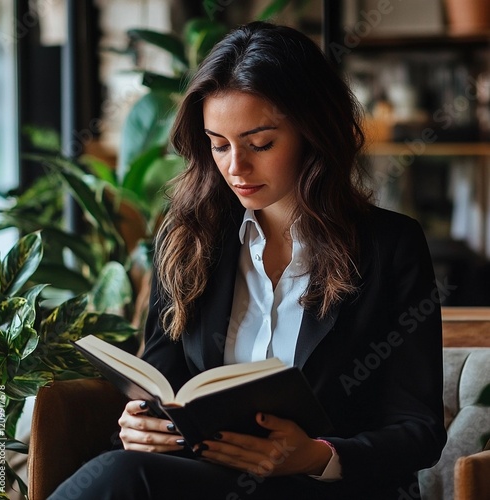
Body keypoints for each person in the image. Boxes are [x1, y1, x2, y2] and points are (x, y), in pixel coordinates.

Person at [48, 21, 446, 500]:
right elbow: (161, 386)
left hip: (330, 489)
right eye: (218, 144)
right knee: (125, 468)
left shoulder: (390, 245)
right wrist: (141, 428)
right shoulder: (189, 238)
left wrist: (317, 455)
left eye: (260, 144)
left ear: (311, 131)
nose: (236, 166)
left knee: (123, 479)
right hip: (211, 482)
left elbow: (417, 429)